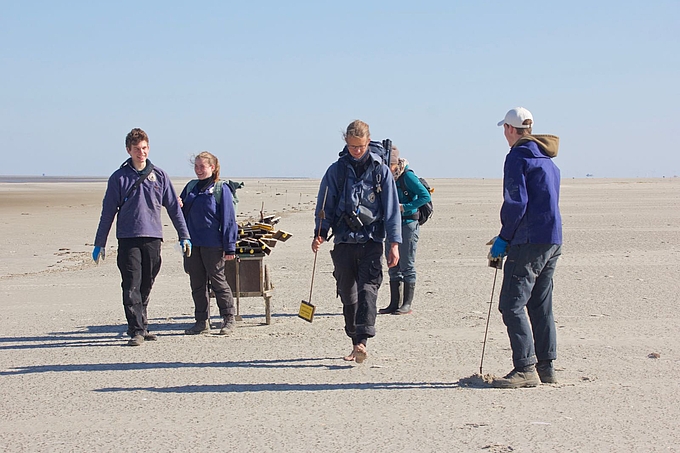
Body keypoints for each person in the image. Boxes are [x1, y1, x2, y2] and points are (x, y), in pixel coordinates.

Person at [311, 120, 402, 363]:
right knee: (348, 295)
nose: (357, 151)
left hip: (371, 241)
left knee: (368, 291)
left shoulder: (381, 171)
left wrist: (393, 245)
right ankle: (354, 339)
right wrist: (319, 233)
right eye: (352, 146)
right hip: (343, 242)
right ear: (346, 143)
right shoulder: (336, 170)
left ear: (368, 142)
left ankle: (362, 341)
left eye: (361, 146)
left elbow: (392, 211)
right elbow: (324, 205)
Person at [93, 128, 191, 347]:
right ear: (128, 150)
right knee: (131, 284)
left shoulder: (160, 175)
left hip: (153, 237)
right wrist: (100, 242)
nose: (141, 153)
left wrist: (184, 235)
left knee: (147, 283)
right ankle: (136, 329)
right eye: (137, 149)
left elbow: (174, 208)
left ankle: (141, 324)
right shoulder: (119, 177)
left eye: (144, 148)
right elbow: (107, 212)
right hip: (128, 239)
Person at [488, 107, 562, 388]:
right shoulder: (548, 160)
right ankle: (547, 367)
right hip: (552, 239)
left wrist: (504, 237)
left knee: (511, 304)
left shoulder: (518, 157)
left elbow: (516, 201)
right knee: (540, 305)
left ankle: (525, 367)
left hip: (529, 241)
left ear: (509, 129)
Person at [179, 151, 238, 336]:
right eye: (196, 166)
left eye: (202, 166)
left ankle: (228, 319)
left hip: (213, 245)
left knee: (218, 282)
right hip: (192, 244)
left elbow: (229, 219)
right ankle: (201, 321)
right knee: (197, 284)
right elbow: (180, 213)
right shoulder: (191, 188)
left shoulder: (221, 189)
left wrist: (230, 247)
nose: (198, 170)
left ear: (212, 168)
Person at [378, 146, 431, 315]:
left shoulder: (407, 176)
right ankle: (394, 303)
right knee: (393, 264)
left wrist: (404, 207)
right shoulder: (387, 178)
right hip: (392, 225)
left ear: (393, 165)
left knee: (407, 265)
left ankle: (407, 304)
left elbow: (425, 196)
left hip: (408, 224)